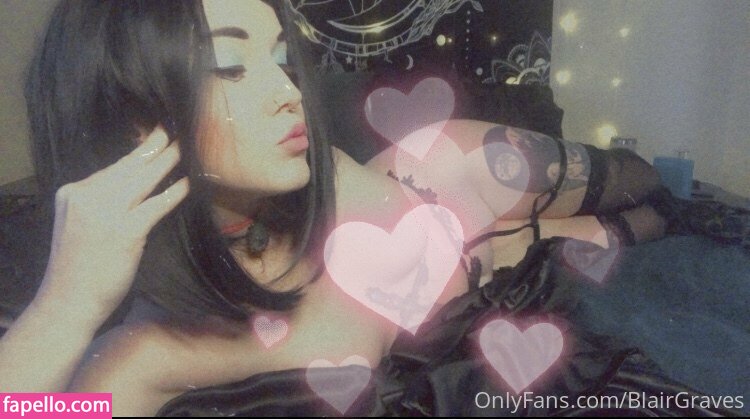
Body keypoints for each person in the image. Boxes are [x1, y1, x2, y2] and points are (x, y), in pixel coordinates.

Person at [4, 0, 673, 415]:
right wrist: (64, 305)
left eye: (280, 59)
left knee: (644, 185)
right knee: (629, 228)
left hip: (444, 172)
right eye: (230, 65)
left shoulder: (317, 175)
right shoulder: (143, 354)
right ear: (131, 118)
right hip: (481, 264)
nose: (288, 91)